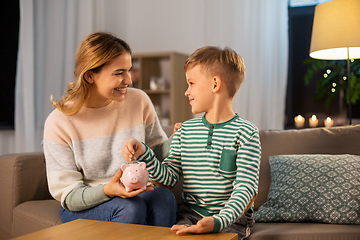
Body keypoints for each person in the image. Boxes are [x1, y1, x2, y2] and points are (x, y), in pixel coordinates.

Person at [123, 46, 261, 239]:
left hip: (231, 219)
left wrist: (219, 221)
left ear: (215, 84)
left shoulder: (247, 133)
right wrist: (144, 153)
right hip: (190, 215)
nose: (186, 92)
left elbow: (246, 188)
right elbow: (168, 178)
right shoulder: (185, 131)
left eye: (191, 83)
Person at [43, 31, 178, 227]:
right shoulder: (59, 122)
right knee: (130, 207)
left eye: (129, 70)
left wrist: (179, 138)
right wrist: (107, 190)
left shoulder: (139, 101)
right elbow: (70, 195)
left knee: (163, 198)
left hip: (134, 193)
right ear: (89, 76)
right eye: (119, 73)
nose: (129, 80)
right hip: (87, 202)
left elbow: (156, 153)